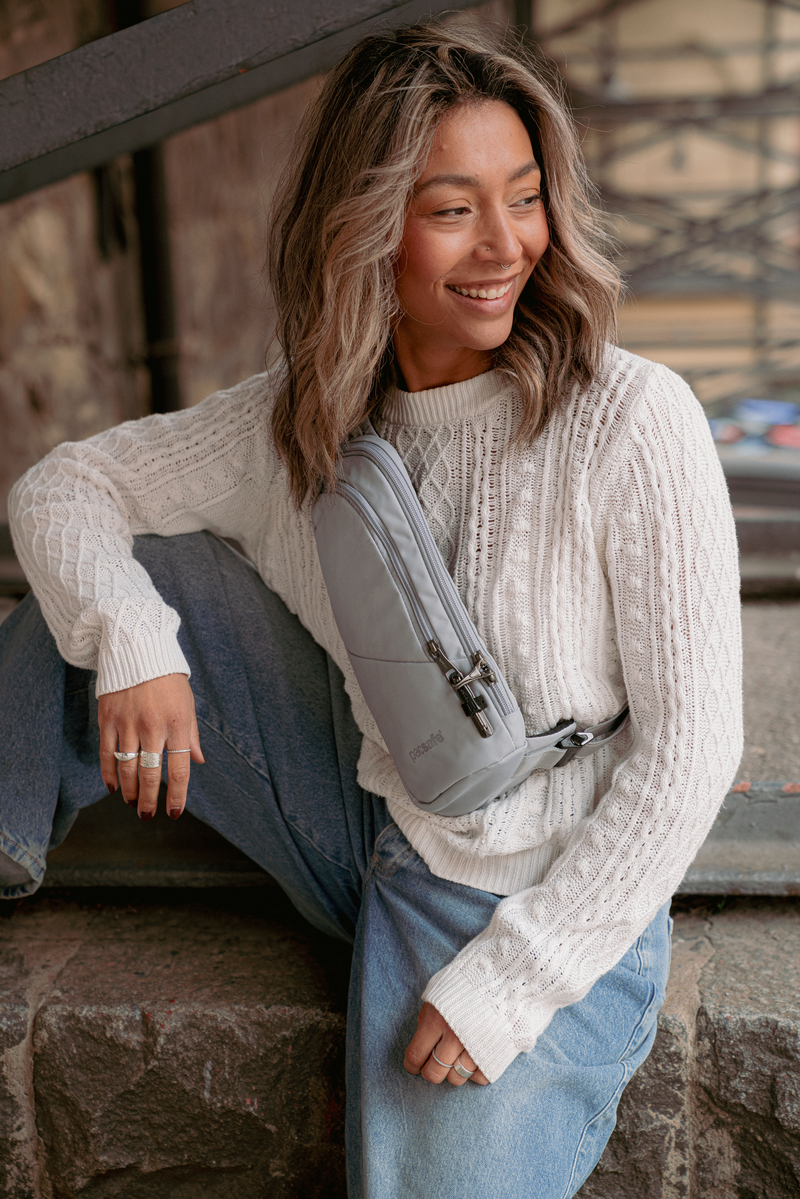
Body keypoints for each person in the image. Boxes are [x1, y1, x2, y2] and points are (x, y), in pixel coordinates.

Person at [1, 20, 742, 1199]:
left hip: (529, 889)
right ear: (364, 227)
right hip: (366, 816)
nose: (504, 244)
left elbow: (692, 749)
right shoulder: (303, 416)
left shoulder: (629, 418)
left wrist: (514, 979)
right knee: (107, 589)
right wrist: (135, 641)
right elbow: (63, 487)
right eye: (452, 209)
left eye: (523, 198)